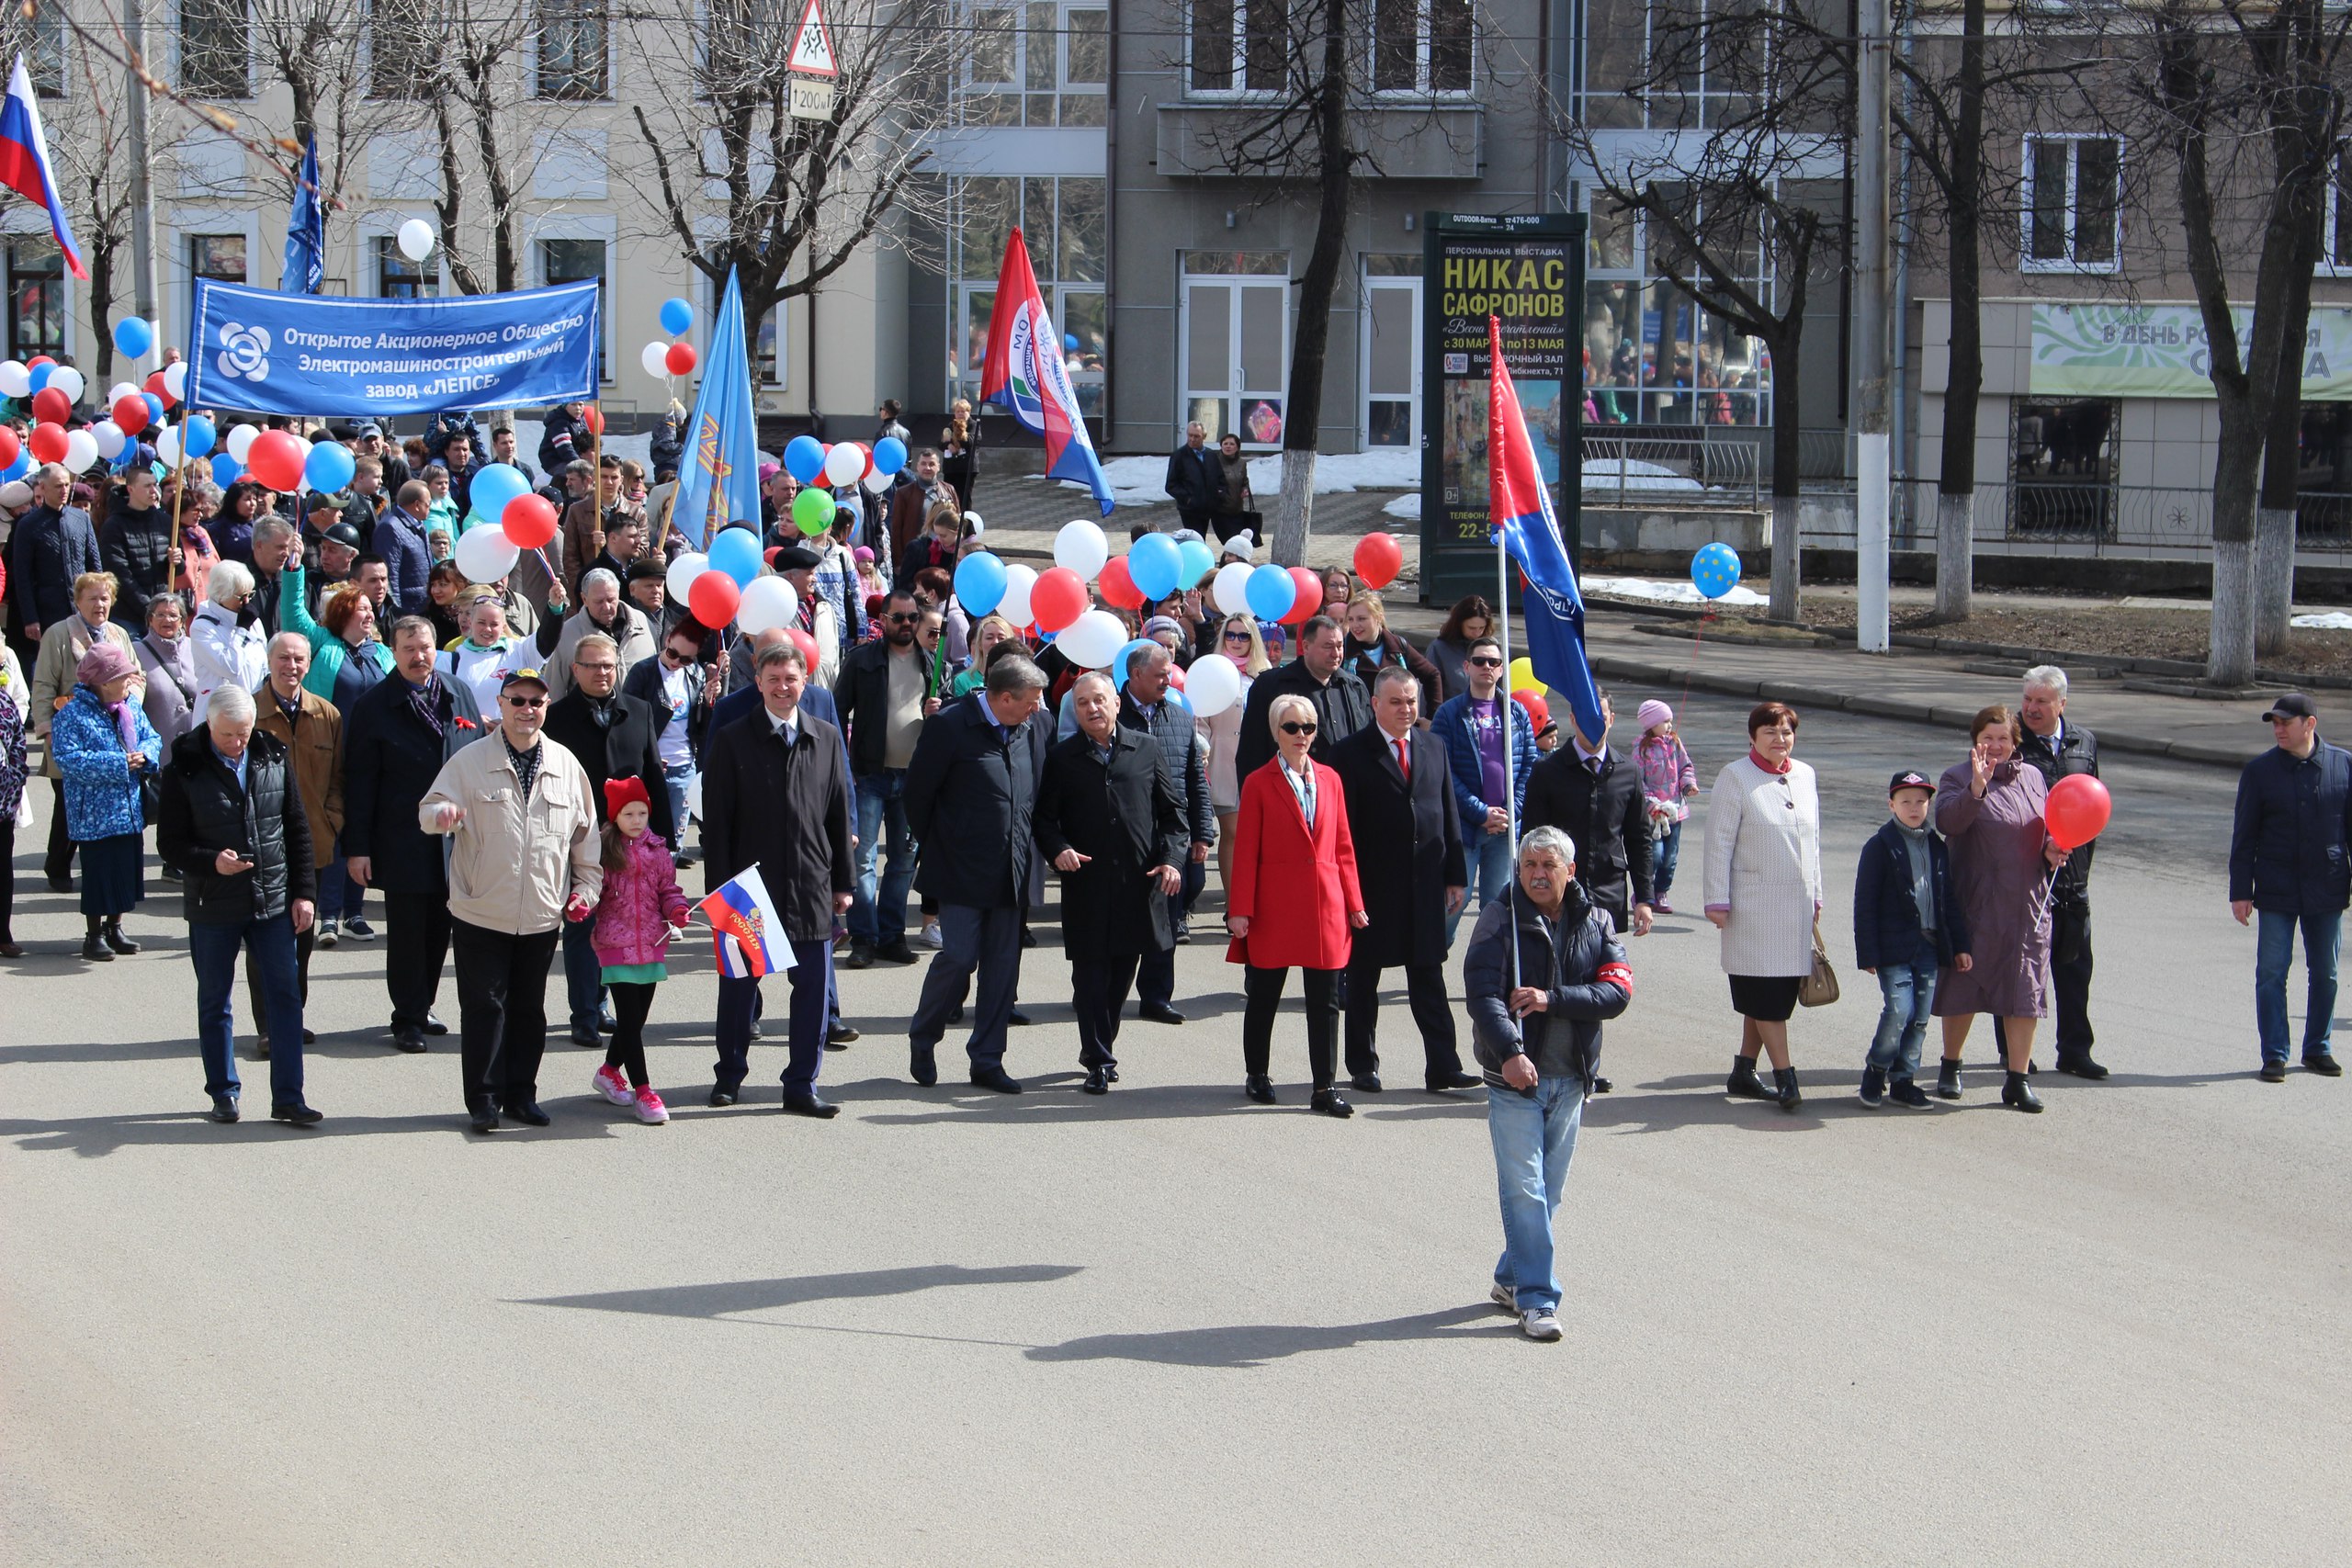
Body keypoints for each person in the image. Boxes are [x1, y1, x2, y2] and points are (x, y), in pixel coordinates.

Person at [1463, 826, 1634, 1343]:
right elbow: (1482, 994)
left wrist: (1552, 999)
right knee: (1526, 1190)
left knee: (1547, 1193)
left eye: (1548, 865)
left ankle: (1509, 1276)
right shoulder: (1500, 917)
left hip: (1571, 1079)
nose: (1537, 874)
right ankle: (1537, 1298)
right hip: (1515, 1079)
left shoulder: (1597, 920)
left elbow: (1618, 990)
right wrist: (1511, 1052)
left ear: (1570, 871)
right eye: (1529, 865)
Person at [421, 666, 602, 1132]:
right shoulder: (469, 760)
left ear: (546, 707)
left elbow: (585, 840)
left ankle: (522, 1093)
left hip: (541, 912)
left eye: (536, 702)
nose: (527, 710)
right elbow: (428, 810)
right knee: (484, 1008)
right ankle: (483, 1099)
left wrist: (586, 889)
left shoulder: (566, 764)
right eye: (517, 701)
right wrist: (441, 814)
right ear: (500, 705)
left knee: (528, 1009)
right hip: (481, 908)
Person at [699, 638, 855, 1114]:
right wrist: (719, 892)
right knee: (741, 988)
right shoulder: (732, 738)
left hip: (810, 884)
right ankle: (729, 1076)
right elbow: (717, 823)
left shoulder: (826, 736)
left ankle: (802, 1085)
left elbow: (837, 815)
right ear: (759, 683)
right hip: (749, 889)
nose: (783, 687)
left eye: (791, 679)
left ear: (804, 681)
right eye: (774, 680)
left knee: (811, 992)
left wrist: (843, 884)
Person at [156, 684, 321, 1124]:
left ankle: (289, 1096)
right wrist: (212, 862)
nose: (237, 743)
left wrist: (304, 893)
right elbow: (169, 843)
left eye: (244, 733)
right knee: (215, 1000)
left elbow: (297, 828)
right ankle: (223, 1092)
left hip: (271, 900)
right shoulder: (184, 767)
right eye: (228, 734)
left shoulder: (272, 754)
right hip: (214, 904)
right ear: (209, 724)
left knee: (285, 998)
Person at [903, 654, 1051, 1092]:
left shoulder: (1031, 727)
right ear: (1005, 698)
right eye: (1030, 701)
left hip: (1012, 870)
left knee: (1003, 969)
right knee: (960, 957)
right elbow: (917, 797)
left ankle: (987, 1060)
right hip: (960, 870)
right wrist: (945, 844)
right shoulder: (951, 726)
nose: (1037, 709)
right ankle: (924, 1035)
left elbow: (1035, 794)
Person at [1035, 671, 1186, 1093]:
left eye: (1099, 700)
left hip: (1137, 884)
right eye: (1082, 703)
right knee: (1089, 976)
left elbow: (1174, 816)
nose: (1092, 709)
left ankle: (1101, 1045)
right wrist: (1058, 849)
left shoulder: (1147, 749)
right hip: (1086, 882)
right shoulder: (1063, 757)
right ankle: (1098, 1058)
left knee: (1121, 975)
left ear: (1116, 704)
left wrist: (1172, 860)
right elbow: (1044, 820)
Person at [1331, 665, 1474, 1093]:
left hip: (1425, 886)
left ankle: (1444, 1066)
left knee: (1429, 978)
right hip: (1373, 888)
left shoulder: (1434, 747)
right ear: (1375, 704)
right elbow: (1344, 831)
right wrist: (1348, 891)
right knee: (1362, 982)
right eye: (1395, 701)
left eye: (1411, 701)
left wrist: (1455, 875)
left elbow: (1447, 813)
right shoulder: (1349, 753)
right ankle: (1362, 1064)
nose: (1405, 709)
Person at [1226, 690, 1366, 1116]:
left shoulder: (1330, 779)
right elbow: (1245, 849)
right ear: (1276, 732)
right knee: (1265, 994)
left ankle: (1323, 1087)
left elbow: (1343, 845)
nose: (1301, 735)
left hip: (1325, 905)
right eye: (1292, 727)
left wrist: (1354, 901)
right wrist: (1240, 909)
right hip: (1274, 905)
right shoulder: (1258, 781)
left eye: (1308, 727)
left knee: (1325, 1001)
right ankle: (1257, 1074)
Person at [342, 616, 478, 1053]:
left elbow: (479, 760)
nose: (419, 657)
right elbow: (360, 782)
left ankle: (424, 1004)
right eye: (408, 649)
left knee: (441, 927)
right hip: (401, 836)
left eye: (425, 648)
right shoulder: (374, 705)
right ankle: (407, 1017)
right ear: (393, 653)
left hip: (455, 838)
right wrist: (358, 848)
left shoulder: (459, 693)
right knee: (406, 932)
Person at [1931, 705, 2068, 1112]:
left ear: (2015, 742)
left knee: (2023, 991)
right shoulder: (1957, 777)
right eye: (1987, 738)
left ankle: (2017, 1078)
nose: (1995, 746)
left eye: (2003, 739)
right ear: (1975, 739)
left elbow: (2042, 830)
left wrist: (2052, 849)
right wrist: (1977, 788)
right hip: (1976, 903)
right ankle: (1950, 1065)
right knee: (1964, 986)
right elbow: (1947, 824)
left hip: (2027, 906)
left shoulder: (2034, 777)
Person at [543, 632, 674, 1048]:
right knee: (583, 927)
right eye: (593, 666)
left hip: (629, 840)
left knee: (618, 927)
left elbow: (653, 771)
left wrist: (664, 839)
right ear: (575, 669)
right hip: (579, 837)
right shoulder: (558, 717)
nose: (602, 673)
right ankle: (584, 1013)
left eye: (608, 665)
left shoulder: (637, 710)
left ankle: (602, 1006)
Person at [1702, 701, 1823, 1111]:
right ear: (1753, 736)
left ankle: (1743, 1070)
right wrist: (1716, 899)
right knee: (1767, 994)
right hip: (1752, 910)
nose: (1780, 739)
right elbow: (1718, 842)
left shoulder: (1805, 775)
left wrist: (1816, 892)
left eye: (1787, 731)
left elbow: (1813, 841)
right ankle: (1786, 1078)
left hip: (1796, 908)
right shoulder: (1736, 776)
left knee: (1772, 993)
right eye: (1770, 731)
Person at [2229, 692, 2352, 1081]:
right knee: (2271, 972)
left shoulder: (2343, 766)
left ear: (2310, 724)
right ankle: (2275, 1055)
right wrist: (2240, 890)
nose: (2278, 729)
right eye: (2274, 723)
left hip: (2327, 886)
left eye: (2285, 722)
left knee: (2327, 972)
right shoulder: (2260, 772)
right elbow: (2244, 836)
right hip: (2277, 886)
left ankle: (2317, 1048)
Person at [1854, 771, 1972, 1110]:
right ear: (1892, 804)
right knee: (1899, 1010)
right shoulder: (1879, 846)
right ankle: (1877, 1069)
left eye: (1921, 801)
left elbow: (1947, 898)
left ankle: (1904, 1079)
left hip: (1929, 946)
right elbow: (1865, 903)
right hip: (1893, 947)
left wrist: (1960, 945)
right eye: (1906, 801)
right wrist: (1868, 953)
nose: (1914, 807)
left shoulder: (1936, 846)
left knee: (1920, 1016)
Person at [247, 633, 341, 1051]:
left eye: (299, 659)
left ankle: (291, 1017)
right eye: (283, 658)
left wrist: (332, 821)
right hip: (262, 848)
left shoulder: (327, 715)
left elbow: (338, 780)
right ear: (269, 662)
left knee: (302, 939)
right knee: (265, 942)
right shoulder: (248, 712)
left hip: (312, 846)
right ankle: (268, 1026)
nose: (292, 666)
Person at [833, 587, 933, 967]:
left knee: (904, 861)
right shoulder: (862, 660)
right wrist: (843, 766)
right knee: (863, 862)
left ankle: (892, 936)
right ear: (883, 621)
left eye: (912, 618)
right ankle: (864, 938)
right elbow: (837, 712)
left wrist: (937, 710)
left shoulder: (932, 662)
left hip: (914, 776)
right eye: (899, 617)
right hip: (870, 774)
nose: (907, 624)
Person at [49, 642, 162, 962]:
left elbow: (152, 738)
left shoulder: (130, 707)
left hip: (128, 808)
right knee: (99, 875)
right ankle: (94, 934)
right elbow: (69, 759)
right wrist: (119, 762)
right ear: (102, 680)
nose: (129, 682)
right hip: (94, 813)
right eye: (123, 677)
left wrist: (146, 755)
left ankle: (116, 927)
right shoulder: (72, 714)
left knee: (126, 872)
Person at [2017, 665, 2105, 1078]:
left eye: (2041, 702)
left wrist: (2080, 861)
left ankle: (2075, 1051)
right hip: (2027, 875)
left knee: (2074, 969)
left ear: (2062, 705)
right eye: (2028, 700)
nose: (2032, 709)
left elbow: (2092, 806)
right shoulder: (2011, 739)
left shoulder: (2083, 742)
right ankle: (2015, 1053)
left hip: (2072, 876)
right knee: (2023, 972)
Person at [28, 572, 141, 892]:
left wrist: (130, 707)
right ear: (77, 601)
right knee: (68, 805)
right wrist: (48, 730)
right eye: (92, 598)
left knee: (105, 805)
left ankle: (98, 869)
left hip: (114, 735)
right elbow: (44, 685)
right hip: (72, 732)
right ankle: (58, 863)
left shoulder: (119, 634)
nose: (99, 604)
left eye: (105, 597)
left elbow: (137, 677)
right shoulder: (59, 634)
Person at [1121, 643, 1215, 1020]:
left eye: (1169, 673)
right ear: (1136, 675)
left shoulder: (1178, 717)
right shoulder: (1109, 712)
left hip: (1171, 835)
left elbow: (1195, 778)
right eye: (1160, 674)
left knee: (1167, 919)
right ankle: (1103, 992)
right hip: (1125, 833)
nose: (1168, 680)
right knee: (1124, 918)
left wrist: (1202, 832)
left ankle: (1157, 996)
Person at [587, 777, 688, 1125]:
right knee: (629, 1021)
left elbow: (668, 889)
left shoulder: (658, 850)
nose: (636, 819)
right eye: (628, 813)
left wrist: (676, 910)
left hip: (652, 944)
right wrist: (579, 904)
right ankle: (644, 1092)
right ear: (615, 816)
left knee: (636, 1021)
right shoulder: (603, 849)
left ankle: (609, 1070)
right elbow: (589, 889)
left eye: (642, 812)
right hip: (615, 945)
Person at [1429, 635, 1535, 946]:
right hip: (1465, 829)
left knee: (1497, 908)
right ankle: (1433, 960)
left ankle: (1489, 971)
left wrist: (1511, 811)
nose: (1486, 667)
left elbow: (1530, 764)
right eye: (1479, 661)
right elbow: (1442, 771)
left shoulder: (1517, 713)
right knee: (1452, 904)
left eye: (1493, 662)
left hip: (1505, 831)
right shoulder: (1449, 714)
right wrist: (1480, 811)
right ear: (1466, 667)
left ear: (1502, 669)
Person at [1524, 689, 1654, 941]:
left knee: (1605, 972)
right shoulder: (1547, 770)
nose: (1593, 725)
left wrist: (1644, 898)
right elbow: (1531, 838)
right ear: (1573, 719)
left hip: (1608, 891)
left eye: (1600, 718)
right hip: (1558, 892)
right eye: (1586, 718)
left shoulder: (1628, 772)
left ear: (1611, 719)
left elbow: (1640, 839)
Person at [1233, 614, 1372, 782]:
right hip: (1288, 791)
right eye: (1328, 646)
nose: (1335, 653)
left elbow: (1367, 745)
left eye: (1340, 646)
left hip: (1345, 793)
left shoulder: (1354, 688)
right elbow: (1251, 752)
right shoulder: (1271, 685)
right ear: (1306, 647)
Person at [280, 562, 393, 712]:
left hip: (375, 734)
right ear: (343, 613)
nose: (369, 615)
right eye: (362, 609)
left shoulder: (383, 653)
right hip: (328, 732)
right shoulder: (321, 641)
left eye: (370, 609)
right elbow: (293, 614)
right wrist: (293, 569)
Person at [9, 464, 101, 646]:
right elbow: (22, 576)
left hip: (82, 607)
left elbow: (94, 564)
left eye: (67, 485)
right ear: (42, 487)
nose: (64, 491)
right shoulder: (28, 525)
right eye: (58, 486)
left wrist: (100, 601)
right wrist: (30, 617)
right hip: (48, 611)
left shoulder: (81, 518)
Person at [538, 567, 654, 699]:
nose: (607, 607)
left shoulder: (643, 623)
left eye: (611, 600)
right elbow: (554, 693)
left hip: (638, 716)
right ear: (584, 599)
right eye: (599, 601)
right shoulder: (565, 635)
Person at [1633, 700, 1700, 914]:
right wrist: (1652, 803)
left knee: (1670, 858)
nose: (1669, 726)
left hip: (1675, 812)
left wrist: (1688, 784)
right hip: (1654, 815)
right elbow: (1637, 780)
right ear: (1651, 723)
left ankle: (1661, 891)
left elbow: (1685, 767)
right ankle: (1645, 891)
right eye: (1664, 721)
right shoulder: (1641, 749)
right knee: (1656, 855)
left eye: (1670, 721)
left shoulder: (1675, 744)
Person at [99, 466, 175, 629]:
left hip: (163, 612)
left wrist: (177, 560)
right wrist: (149, 609)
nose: (154, 491)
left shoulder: (166, 522)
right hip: (129, 617)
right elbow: (119, 574)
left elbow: (178, 570)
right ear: (131, 489)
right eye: (147, 486)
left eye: (155, 485)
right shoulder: (114, 525)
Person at [1341, 592, 1444, 712]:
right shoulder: (1343, 649)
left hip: (1397, 723)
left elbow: (1432, 674)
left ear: (1378, 618)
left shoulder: (1398, 646)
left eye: (1362, 619)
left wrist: (1432, 718)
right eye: (1350, 619)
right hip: (1359, 726)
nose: (1355, 625)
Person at [435, 592, 525, 721]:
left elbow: (546, 643)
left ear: (503, 626)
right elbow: (437, 705)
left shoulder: (517, 649)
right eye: (481, 622)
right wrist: (472, 720)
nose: (487, 629)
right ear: (471, 622)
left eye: (494, 624)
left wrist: (555, 607)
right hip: (469, 736)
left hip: (509, 736)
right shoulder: (451, 658)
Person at [191, 558, 268, 706]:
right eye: (241, 597)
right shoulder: (202, 627)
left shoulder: (253, 621)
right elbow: (230, 668)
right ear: (221, 595)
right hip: (220, 713)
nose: (247, 603)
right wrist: (242, 630)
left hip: (255, 706)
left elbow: (265, 660)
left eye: (250, 595)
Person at [134, 592, 202, 752]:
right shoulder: (135, 651)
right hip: (158, 752)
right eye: (160, 615)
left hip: (197, 750)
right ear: (150, 619)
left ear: (182, 621)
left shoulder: (196, 648)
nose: (167, 620)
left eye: (173, 615)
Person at [0, 639, 28, 957]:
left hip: (2, 804)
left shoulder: (4, 704)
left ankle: (2, 933)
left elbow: (19, 749)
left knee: (2, 872)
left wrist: (14, 784)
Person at [373, 480, 435, 616]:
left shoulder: (418, 525)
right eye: (428, 504)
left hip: (422, 605)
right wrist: (395, 611)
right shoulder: (390, 527)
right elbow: (390, 573)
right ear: (417, 505)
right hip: (406, 609)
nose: (430, 509)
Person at [1424, 595, 1494, 709]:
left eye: (1481, 628)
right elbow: (1430, 691)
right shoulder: (1439, 649)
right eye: (1471, 628)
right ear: (1459, 624)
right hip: (1451, 718)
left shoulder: (1491, 648)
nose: (1477, 633)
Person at [1164, 422, 1223, 536]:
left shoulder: (1211, 455)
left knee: (1202, 537)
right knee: (1196, 538)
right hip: (1189, 509)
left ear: (1204, 437)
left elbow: (1220, 478)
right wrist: (1188, 499)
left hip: (1208, 507)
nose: (1192, 439)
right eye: (1190, 435)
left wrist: (1220, 493)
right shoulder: (1179, 456)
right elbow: (1171, 485)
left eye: (1196, 436)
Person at [1209, 431, 1255, 543]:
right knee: (1229, 541)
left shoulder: (1241, 463)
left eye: (1231, 444)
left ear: (1237, 447)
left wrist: (1245, 489)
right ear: (1221, 446)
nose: (1228, 446)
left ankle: (1232, 560)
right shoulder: (1214, 462)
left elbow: (1245, 481)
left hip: (1237, 510)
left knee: (1236, 542)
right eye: (1225, 444)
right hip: (1220, 511)